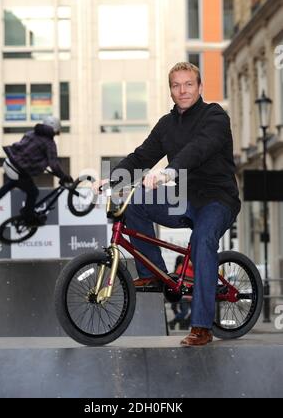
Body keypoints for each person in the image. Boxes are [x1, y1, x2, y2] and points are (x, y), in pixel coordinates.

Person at [94, 62, 241, 346]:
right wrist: (109, 180)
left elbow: (199, 148)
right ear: (170, 91)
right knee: (135, 202)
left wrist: (170, 171)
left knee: (202, 239)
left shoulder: (215, 116)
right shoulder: (166, 124)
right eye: (176, 85)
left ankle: (201, 327)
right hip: (183, 196)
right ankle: (152, 275)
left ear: (200, 87)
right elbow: (140, 158)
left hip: (217, 198)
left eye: (189, 84)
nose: (183, 90)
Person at [0, 116, 73, 224]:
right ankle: (28, 216)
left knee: (14, 181)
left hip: (8, 162)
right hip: (18, 170)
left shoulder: (30, 133)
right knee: (33, 192)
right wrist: (63, 176)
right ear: (54, 129)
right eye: (57, 131)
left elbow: (26, 152)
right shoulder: (49, 144)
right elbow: (54, 164)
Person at [168, 255, 191, 331]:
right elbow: (179, 282)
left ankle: (183, 324)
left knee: (190, 312)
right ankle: (177, 322)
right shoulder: (182, 268)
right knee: (185, 311)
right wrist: (185, 292)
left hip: (189, 295)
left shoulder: (192, 269)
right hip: (184, 296)